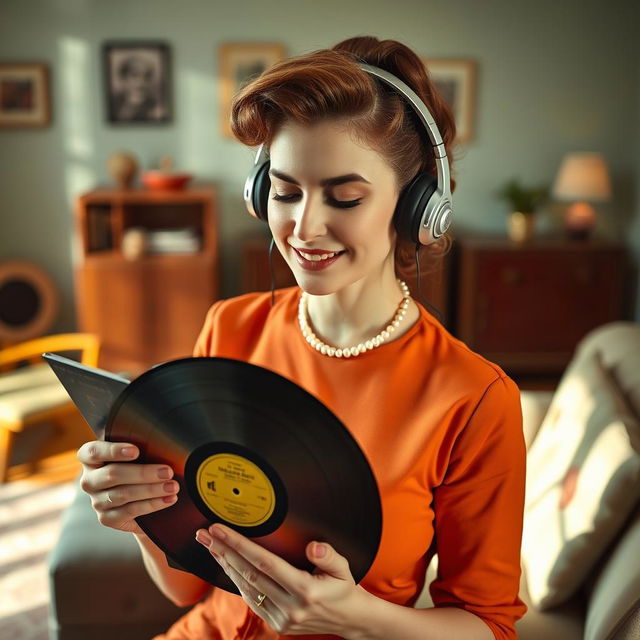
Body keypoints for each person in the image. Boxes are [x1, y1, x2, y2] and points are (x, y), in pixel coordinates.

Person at [78, 36, 527, 640]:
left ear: (418, 207)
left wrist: (357, 618)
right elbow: (188, 585)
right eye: (285, 192)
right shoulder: (229, 327)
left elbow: (490, 626)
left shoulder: (475, 399)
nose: (304, 227)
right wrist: (139, 518)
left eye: (345, 197)